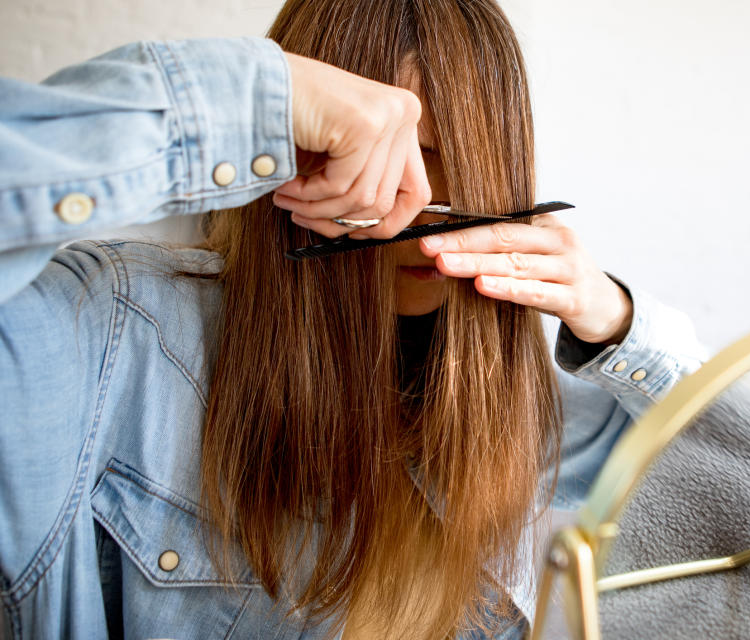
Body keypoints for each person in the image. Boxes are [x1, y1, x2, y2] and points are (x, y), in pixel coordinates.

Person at [0, 0, 706, 638]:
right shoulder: (112, 333)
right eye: (395, 158)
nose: (435, 203)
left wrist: (615, 321)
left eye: (469, 164)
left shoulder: (508, 410)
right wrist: (240, 103)